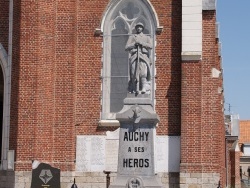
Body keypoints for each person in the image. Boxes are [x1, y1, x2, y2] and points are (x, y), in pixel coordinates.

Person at [125, 22, 152, 94]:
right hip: (134, 56)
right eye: (137, 27)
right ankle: (134, 88)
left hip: (143, 56)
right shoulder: (132, 37)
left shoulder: (146, 37)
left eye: (140, 27)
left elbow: (150, 46)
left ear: (142, 28)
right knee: (133, 73)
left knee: (143, 72)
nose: (139, 28)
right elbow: (126, 47)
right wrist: (134, 44)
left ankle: (144, 88)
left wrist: (142, 43)